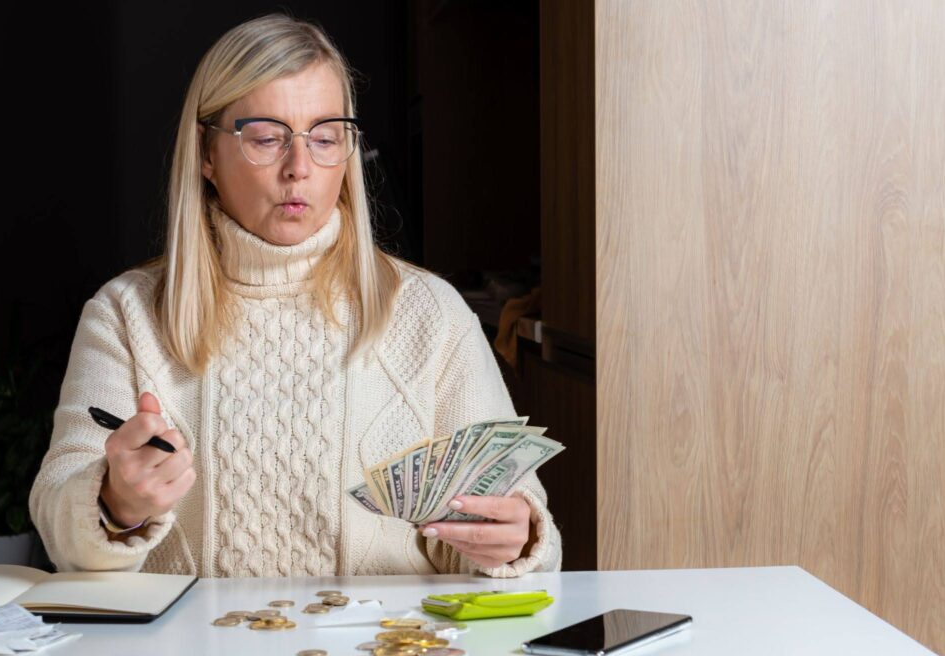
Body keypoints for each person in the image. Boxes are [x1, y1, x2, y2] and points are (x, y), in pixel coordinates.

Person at [28, 13, 562, 578]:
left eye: (326, 137)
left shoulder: (431, 313)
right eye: (266, 137)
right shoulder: (125, 315)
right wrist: (115, 504)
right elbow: (60, 529)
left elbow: (526, 541)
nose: (299, 168)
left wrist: (516, 539)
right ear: (206, 153)